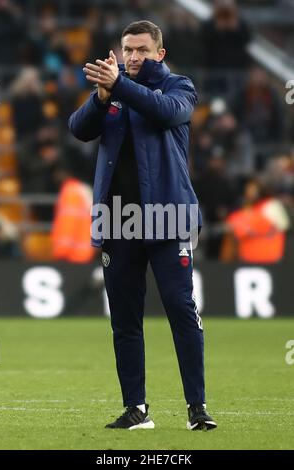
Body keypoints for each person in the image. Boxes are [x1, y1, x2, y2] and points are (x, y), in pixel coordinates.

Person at [69, 20, 217, 431]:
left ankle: (197, 408)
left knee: (181, 311)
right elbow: (78, 129)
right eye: (127, 50)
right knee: (125, 320)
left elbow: (165, 112)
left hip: (168, 218)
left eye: (142, 50)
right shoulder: (112, 93)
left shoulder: (179, 88)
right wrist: (100, 100)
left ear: (160, 54)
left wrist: (116, 87)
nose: (133, 57)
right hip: (117, 222)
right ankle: (137, 409)